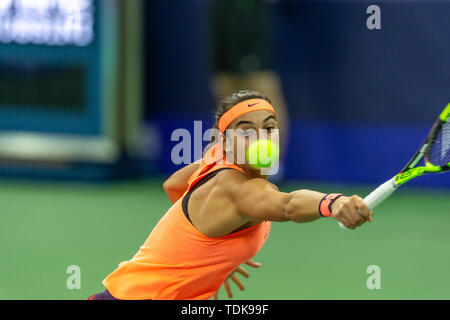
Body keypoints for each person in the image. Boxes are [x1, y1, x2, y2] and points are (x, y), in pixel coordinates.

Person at [88, 90, 373, 300]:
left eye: (270, 128)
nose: (261, 138)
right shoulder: (238, 189)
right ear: (225, 140)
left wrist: (207, 255)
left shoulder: (215, 157)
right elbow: (287, 206)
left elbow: (173, 184)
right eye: (246, 131)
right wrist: (333, 203)